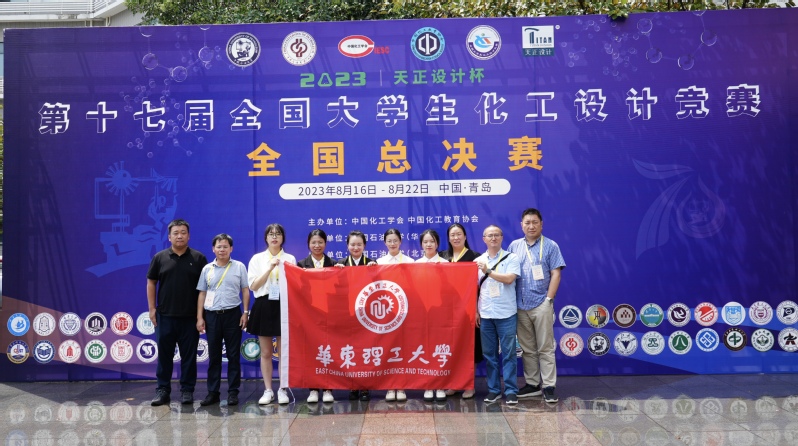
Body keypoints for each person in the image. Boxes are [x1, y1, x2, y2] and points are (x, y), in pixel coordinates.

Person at [147, 219, 208, 406]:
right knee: (164, 356)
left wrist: (200, 316)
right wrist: (152, 309)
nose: (179, 236)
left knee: (189, 357)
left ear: (189, 236)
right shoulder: (159, 258)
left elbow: (204, 289)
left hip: (190, 318)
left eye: (183, 232)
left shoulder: (198, 258)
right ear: (169, 237)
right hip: (165, 316)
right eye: (176, 233)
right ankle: (162, 390)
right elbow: (151, 282)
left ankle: (187, 390)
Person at [507, 208, 566, 404]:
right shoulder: (514, 246)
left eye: (534, 222)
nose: (531, 226)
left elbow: (556, 274)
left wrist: (548, 300)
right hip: (520, 305)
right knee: (527, 348)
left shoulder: (550, 245)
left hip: (541, 303)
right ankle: (532, 384)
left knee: (545, 347)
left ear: (541, 224)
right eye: (527, 223)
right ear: (521, 225)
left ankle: (549, 386)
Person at [196, 234, 250, 407]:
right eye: (219, 247)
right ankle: (213, 393)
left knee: (233, 355)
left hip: (233, 314)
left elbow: (245, 290)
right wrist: (200, 317)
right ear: (213, 249)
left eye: (225, 246)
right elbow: (202, 293)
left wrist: (245, 312)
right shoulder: (207, 269)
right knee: (214, 356)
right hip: (212, 316)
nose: (222, 250)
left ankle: (233, 392)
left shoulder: (239, 266)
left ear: (231, 249)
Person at [247, 224, 297, 405]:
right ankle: (268, 390)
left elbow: (295, 284)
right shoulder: (257, 259)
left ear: (283, 238)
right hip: (264, 304)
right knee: (266, 352)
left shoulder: (290, 258)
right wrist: (269, 269)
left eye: (278, 234)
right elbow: (253, 286)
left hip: (284, 305)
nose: (274, 237)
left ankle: (283, 388)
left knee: (283, 352)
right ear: (266, 238)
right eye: (271, 234)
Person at [475, 225, 521, 405]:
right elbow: (473, 289)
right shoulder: (478, 261)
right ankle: (493, 390)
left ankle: (511, 390)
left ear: (502, 237)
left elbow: (509, 279)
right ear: (484, 239)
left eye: (496, 235)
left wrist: (488, 271)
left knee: (509, 354)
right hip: (486, 313)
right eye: (489, 235)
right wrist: (475, 311)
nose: (493, 238)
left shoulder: (512, 258)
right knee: (490, 355)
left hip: (506, 312)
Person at [440, 223, 481, 399]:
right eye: (452, 235)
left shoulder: (475, 257)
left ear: (465, 236)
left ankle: (469, 385)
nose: (456, 238)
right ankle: (454, 384)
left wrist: (477, 309)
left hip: (468, 310)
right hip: (446, 311)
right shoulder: (443, 257)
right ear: (448, 238)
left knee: (469, 347)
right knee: (451, 347)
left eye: (459, 234)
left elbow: (480, 287)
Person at [335, 230, 376, 401]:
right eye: (352, 244)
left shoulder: (372, 263)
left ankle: (365, 386)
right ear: (347, 246)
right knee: (350, 349)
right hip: (347, 314)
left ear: (364, 246)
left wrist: (375, 271)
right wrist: (335, 273)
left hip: (366, 314)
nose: (356, 247)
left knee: (365, 349)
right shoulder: (340, 264)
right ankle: (352, 385)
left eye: (359, 244)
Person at [296, 229, 336, 404]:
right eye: (314, 242)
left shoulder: (333, 264)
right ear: (308, 244)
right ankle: (313, 388)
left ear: (325, 244)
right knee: (312, 351)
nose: (317, 245)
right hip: (308, 316)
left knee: (329, 350)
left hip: (329, 315)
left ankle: (328, 388)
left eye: (320, 242)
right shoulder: (300, 265)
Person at [376, 228, 414, 403]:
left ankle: (402, 385)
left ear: (400, 242)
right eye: (389, 241)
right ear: (385, 242)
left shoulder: (410, 261)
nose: (392, 243)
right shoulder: (379, 262)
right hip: (386, 312)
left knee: (403, 348)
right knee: (388, 347)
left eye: (395, 240)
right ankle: (390, 386)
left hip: (404, 310)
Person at [415, 229, 448, 403]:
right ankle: (428, 384)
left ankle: (440, 384)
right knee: (425, 348)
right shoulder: (415, 265)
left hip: (440, 313)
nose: (429, 244)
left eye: (432, 241)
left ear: (437, 244)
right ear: (421, 244)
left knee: (439, 347)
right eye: (426, 241)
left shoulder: (446, 263)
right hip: (421, 313)